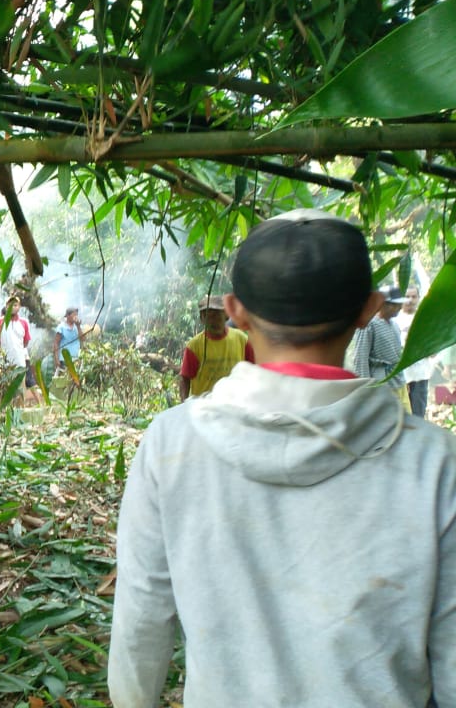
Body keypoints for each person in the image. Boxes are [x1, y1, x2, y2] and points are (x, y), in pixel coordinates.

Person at [108, 209, 456, 708]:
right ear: (368, 309)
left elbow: (141, 618)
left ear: (236, 311)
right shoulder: (437, 465)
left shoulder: (172, 444)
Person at [178, 294, 254, 401]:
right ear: (202, 319)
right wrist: (183, 405)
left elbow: (254, 371)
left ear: (226, 316)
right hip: (203, 409)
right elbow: (185, 378)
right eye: (208, 316)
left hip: (235, 405)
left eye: (217, 315)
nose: (213, 321)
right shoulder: (194, 345)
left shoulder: (242, 340)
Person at [0, 295, 40, 405]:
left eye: (15, 305)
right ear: (6, 306)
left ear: (19, 307)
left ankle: (19, 416)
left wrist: (19, 348)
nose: (13, 307)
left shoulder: (24, 323)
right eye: (10, 305)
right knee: (5, 392)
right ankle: (5, 416)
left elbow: (26, 341)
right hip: (4, 364)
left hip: (20, 363)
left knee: (20, 392)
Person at [351, 285, 407, 395]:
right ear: (383, 304)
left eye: (400, 304)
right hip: (381, 381)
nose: (400, 307)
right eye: (395, 304)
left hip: (397, 380)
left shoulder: (394, 325)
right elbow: (360, 358)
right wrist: (364, 388)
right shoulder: (369, 325)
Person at [397, 285, 433, 419]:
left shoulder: (425, 318)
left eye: (413, 296)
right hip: (400, 375)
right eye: (407, 296)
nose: (410, 300)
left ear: (418, 298)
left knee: (418, 413)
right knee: (402, 414)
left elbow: (433, 348)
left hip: (420, 373)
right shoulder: (395, 319)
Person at [53, 307, 84, 377]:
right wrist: (57, 359)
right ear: (67, 316)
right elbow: (56, 343)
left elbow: (83, 339)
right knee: (64, 379)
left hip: (76, 359)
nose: (76, 317)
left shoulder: (77, 327)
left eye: (77, 315)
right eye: (74, 315)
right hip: (64, 359)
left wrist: (78, 327)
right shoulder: (61, 327)